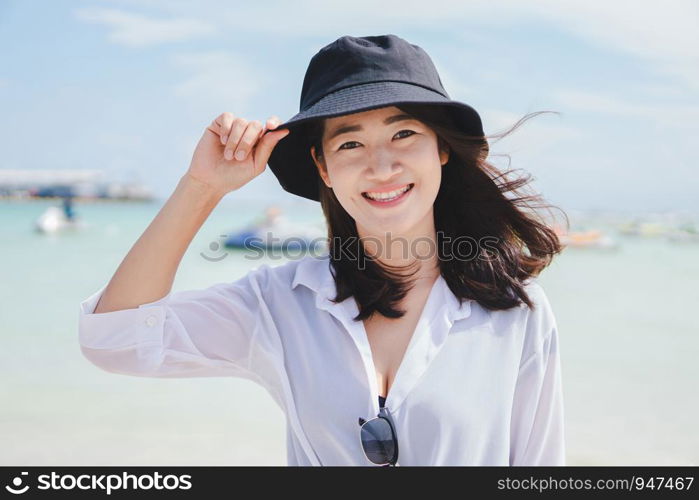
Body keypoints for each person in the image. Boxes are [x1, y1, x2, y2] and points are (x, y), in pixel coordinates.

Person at [78, 34, 567, 466]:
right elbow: (113, 339)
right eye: (350, 144)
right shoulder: (279, 302)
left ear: (441, 147)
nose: (381, 166)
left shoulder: (514, 310)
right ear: (324, 168)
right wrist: (202, 188)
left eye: (404, 134)